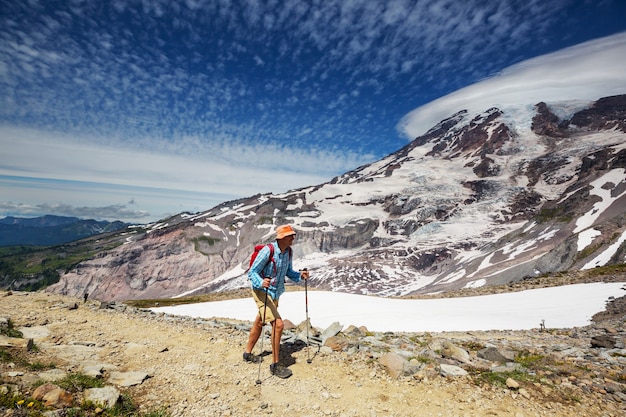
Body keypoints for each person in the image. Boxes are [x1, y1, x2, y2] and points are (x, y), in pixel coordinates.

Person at [243, 224, 309, 379]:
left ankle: (247, 353)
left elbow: (288, 272)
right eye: (291, 235)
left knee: (260, 321)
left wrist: (300, 276)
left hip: (275, 293)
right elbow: (252, 271)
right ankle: (275, 365)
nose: (293, 238)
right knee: (278, 324)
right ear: (282, 237)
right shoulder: (268, 251)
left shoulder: (288, 252)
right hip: (262, 292)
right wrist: (261, 282)